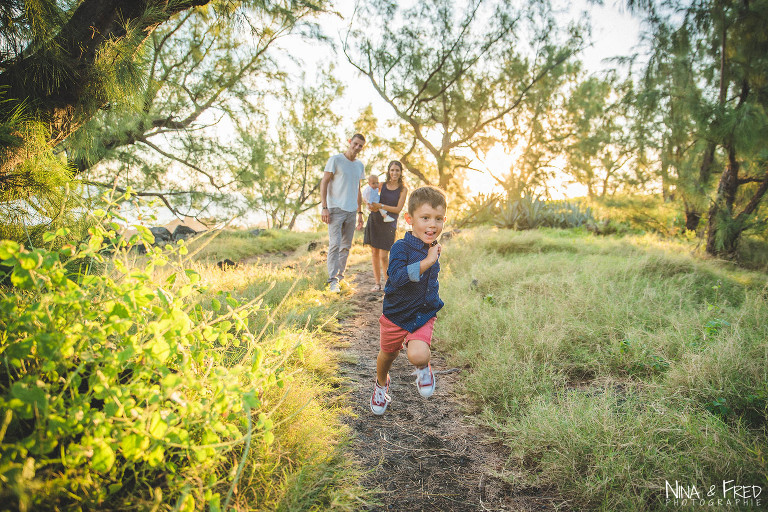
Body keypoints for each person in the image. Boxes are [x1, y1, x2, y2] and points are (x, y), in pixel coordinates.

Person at [370, 186, 447, 415]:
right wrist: (427, 262)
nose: (432, 225)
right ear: (409, 219)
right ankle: (381, 385)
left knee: (418, 354)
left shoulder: (433, 248)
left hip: (422, 316)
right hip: (395, 315)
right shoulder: (400, 247)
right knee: (388, 355)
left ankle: (423, 368)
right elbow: (397, 277)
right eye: (425, 218)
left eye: (438, 219)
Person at [320, 134, 366, 293]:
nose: (357, 147)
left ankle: (339, 277)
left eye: (360, 146)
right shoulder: (336, 160)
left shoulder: (359, 165)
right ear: (349, 142)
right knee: (335, 244)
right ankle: (332, 281)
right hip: (335, 209)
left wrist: (360, 212)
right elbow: (324, 182)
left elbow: (358, 189)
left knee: (346, 246)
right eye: (355, 144)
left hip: (352, 211)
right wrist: (324, 207)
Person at [363, 161, 407, 291]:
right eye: (392, 170)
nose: (394, 173)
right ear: (388, 171)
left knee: (384, 255)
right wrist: (369, 205)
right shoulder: (381, 185)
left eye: (397, 170)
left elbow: (398, 209)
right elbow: (369, 194)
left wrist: (381, 206)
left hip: (389, 224)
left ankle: (389, 284)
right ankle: (377, 283)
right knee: (374, 252)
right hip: (375, 220)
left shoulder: (403, 189)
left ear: (400, 172)